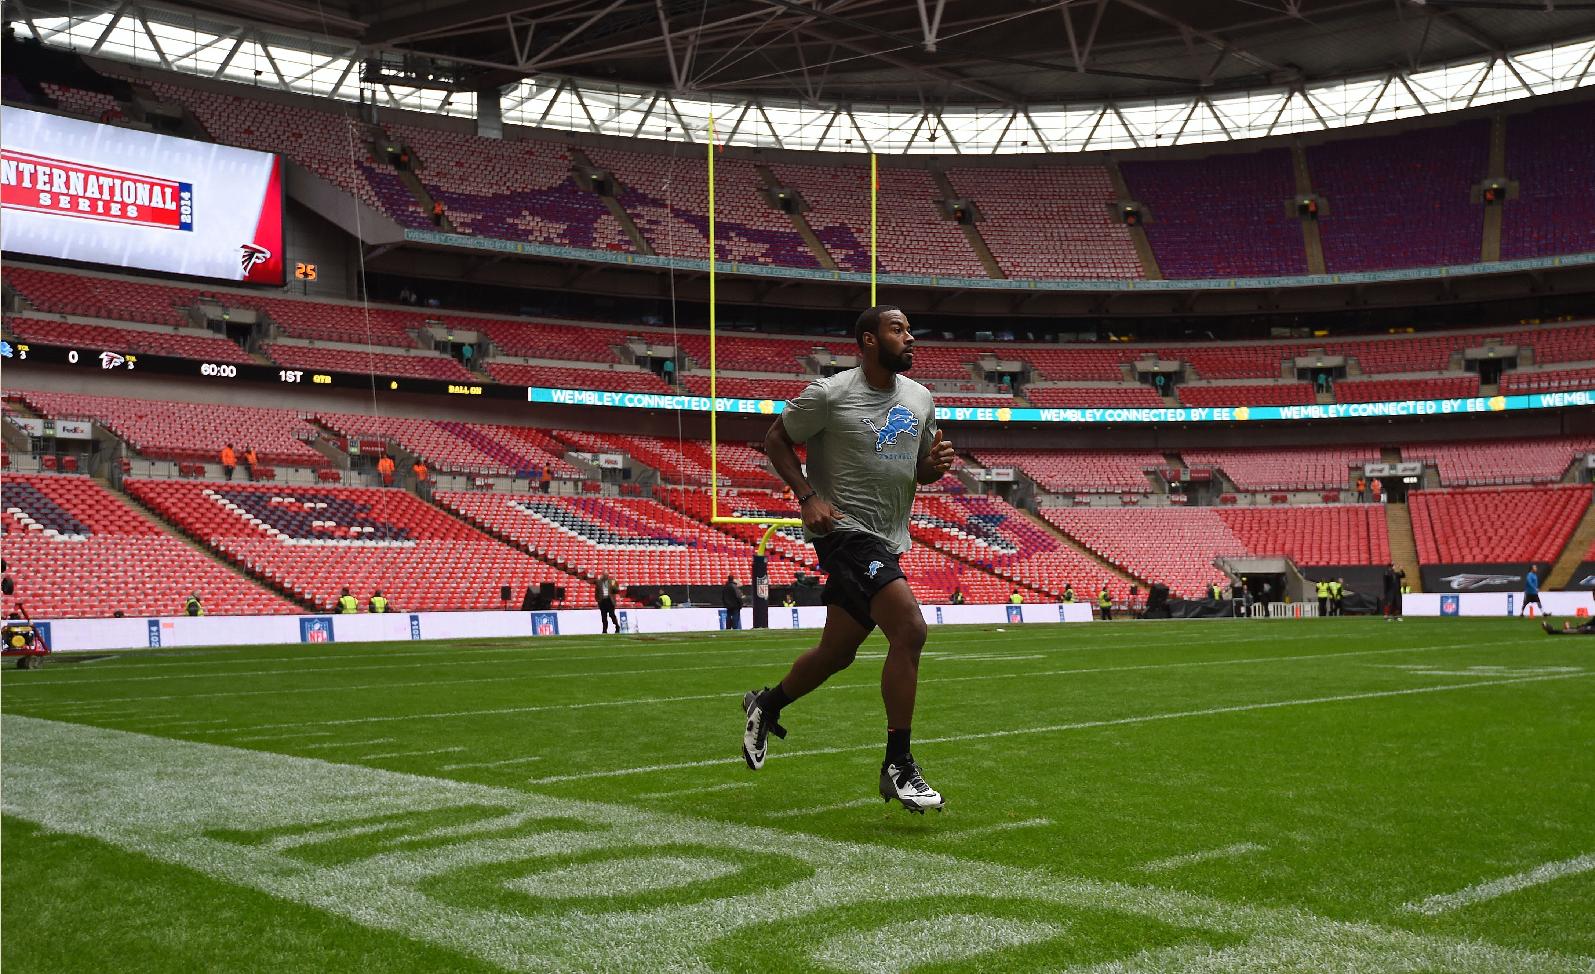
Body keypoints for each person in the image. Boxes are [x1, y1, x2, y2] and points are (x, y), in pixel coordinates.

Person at [741, 304, 954, 813]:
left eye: (910, 329)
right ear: (868, 341)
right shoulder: (832, 394)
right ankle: (897, 764)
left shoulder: (920, 399)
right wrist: (807, 496)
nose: (910, 338)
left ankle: (764, 706)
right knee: (911, 631)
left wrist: (933, 466)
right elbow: (774, 438)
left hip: (888, 536)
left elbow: (915, 471)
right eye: (897, 330)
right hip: (845, 533)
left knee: (837, 653)